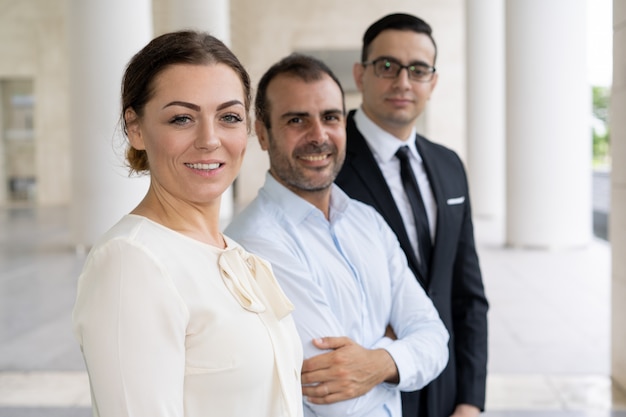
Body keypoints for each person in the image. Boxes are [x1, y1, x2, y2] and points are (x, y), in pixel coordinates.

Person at [72, 30, 303, 417]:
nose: (209, 139)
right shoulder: (132, 262)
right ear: (136, 128)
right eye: (182, 118)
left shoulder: (234, 254)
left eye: (229, 117)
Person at [225, 53, 449, 417]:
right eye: (296, 120)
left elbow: (436, 340)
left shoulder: (368, 221)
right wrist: (393, 348)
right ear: (263, 134)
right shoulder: (253, 244)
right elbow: (336, 399)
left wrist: (376, 361)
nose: (319, 136)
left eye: (330, 117)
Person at [334, 13, 489, 417]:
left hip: (447, 387)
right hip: (369, 391)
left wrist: (471, 401)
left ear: (432, 82)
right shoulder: (328, 164)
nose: (403, 82)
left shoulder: (449, 165)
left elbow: (467, 295)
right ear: (360, 74)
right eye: (387, 66)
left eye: (418, 70)